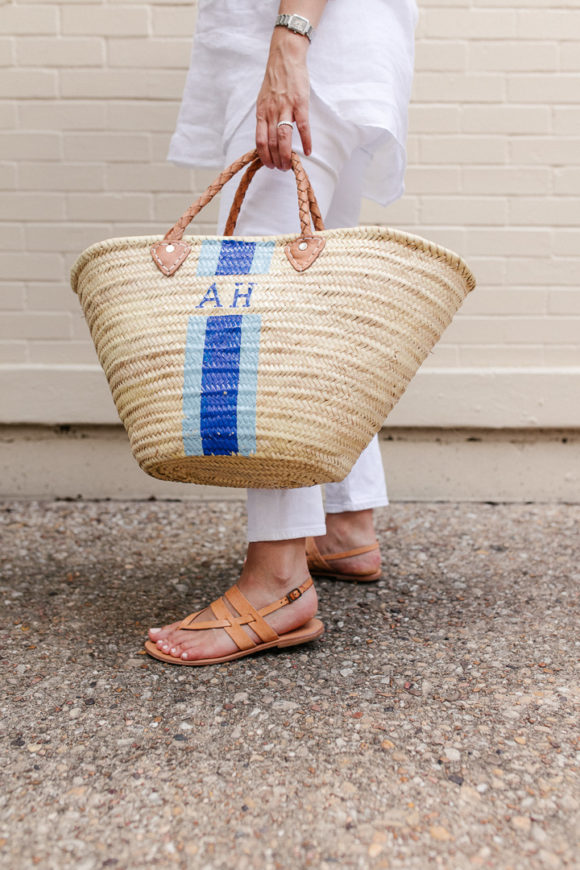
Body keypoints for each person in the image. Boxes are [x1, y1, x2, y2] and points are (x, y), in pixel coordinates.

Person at [146, 0, 419, 665]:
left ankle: (277, 582)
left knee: (257, 310)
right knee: (307, 302)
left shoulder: (295, 46)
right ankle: (342, 523)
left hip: (308, 47)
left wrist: (291, 38)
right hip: (336, 47)